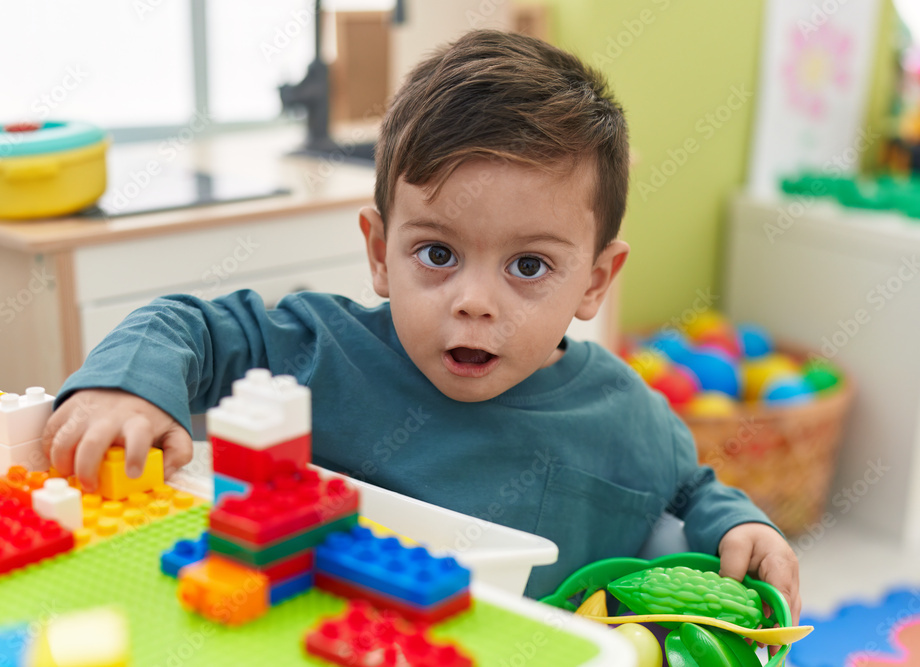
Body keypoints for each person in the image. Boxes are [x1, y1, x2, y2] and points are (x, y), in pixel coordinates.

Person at [43, 29, 799, 616]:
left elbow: (689, 491)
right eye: (437, 252)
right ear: (379, 252)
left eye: (528, 266)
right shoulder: (321, 350)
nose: (474, 300)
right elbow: (191, 327)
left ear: (595, 281)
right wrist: (126, 386)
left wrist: (740, 527)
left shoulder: (626, 416)